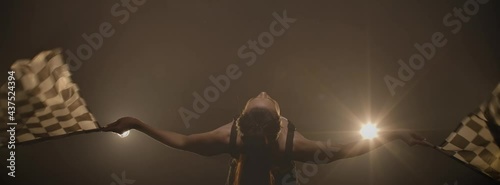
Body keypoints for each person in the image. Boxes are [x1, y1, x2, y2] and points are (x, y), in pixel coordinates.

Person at [104, 91, 430, 185]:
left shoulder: (229, 136)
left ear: (241, 119)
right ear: (279, 118)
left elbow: (183, 142)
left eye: (257, 97)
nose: (262, 91)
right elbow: (346, 150)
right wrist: (393, 135)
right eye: (264, 97)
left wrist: (138, 123)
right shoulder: (292, 143)